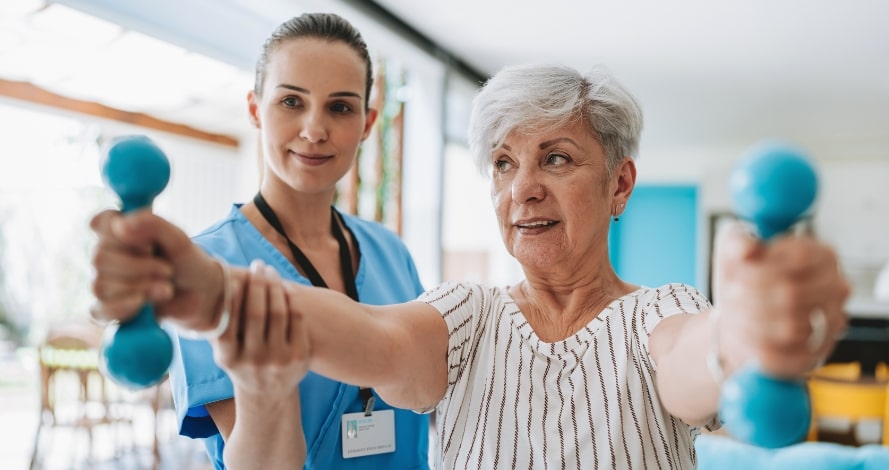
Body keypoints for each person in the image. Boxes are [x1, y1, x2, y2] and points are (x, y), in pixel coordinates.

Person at [90, 63, 850, 469]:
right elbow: (369, 336)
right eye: (502, 163)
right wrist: (206, 287)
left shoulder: (660, 313)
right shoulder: (468, 313)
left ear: (619, 184)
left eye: (556, 157)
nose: (523, 188)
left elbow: (697, 358)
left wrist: (744, 335)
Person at [92, 12, 431, 469]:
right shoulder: (203, 265)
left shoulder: (392, 253)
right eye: (292, 102)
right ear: (255, 109)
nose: (314, 130)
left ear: (367, 123)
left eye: (341, 107)